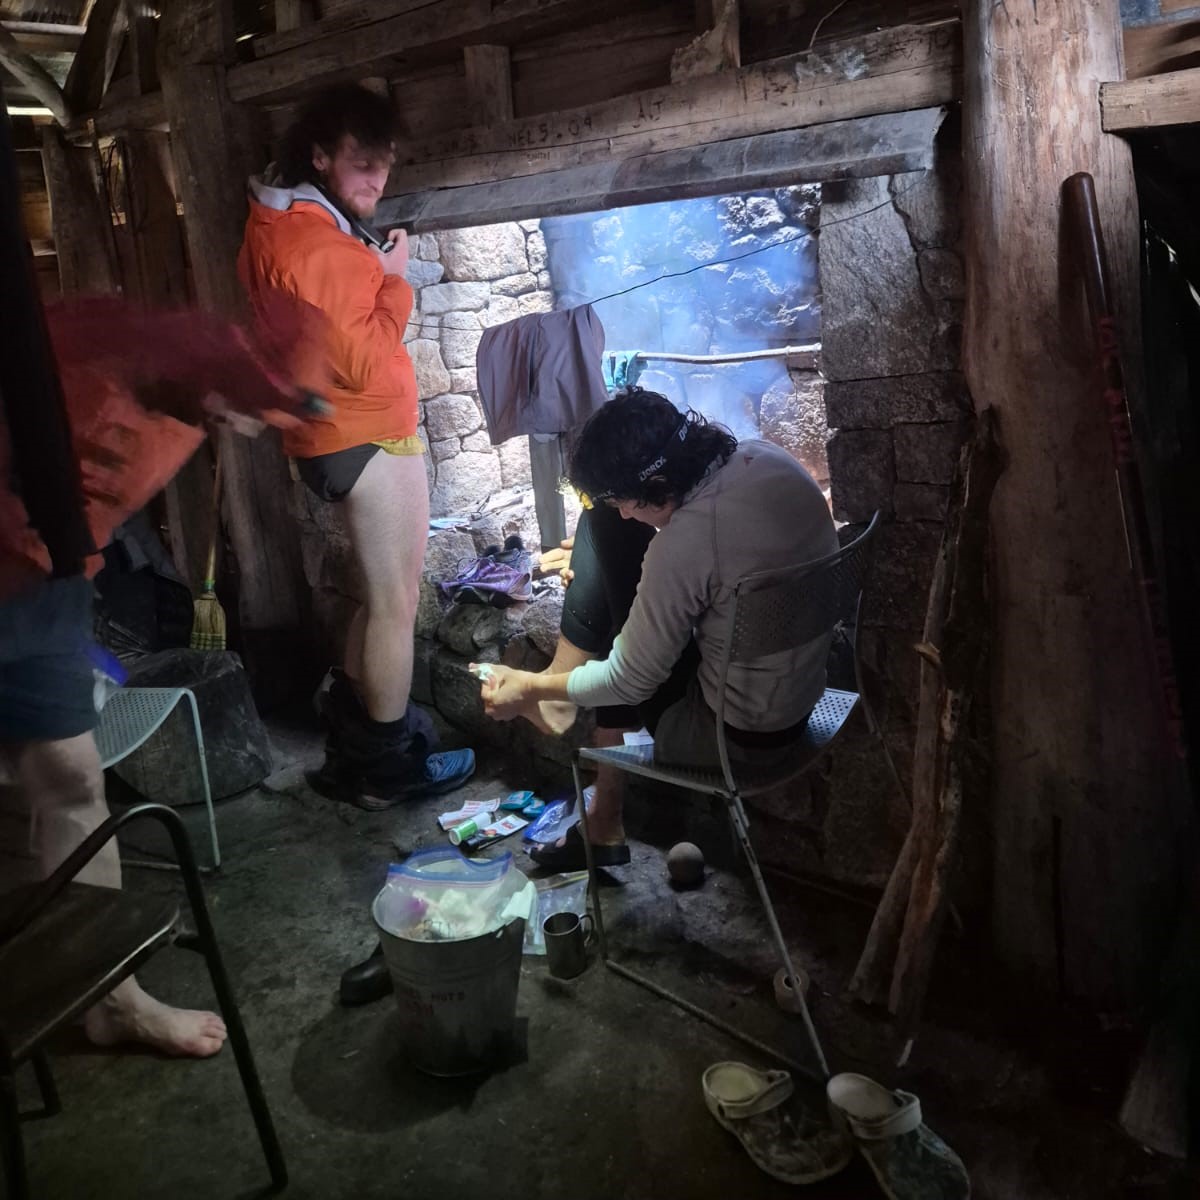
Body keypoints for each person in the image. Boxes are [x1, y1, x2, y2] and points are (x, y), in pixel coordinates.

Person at [0, 300, 312, 1057]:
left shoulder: (192, 391)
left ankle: (112, 1000)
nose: (251, 427)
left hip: (42, 588)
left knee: (72, 783)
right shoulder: (101, 346)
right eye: (250, 408)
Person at [239, 82, 474, 1006]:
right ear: (320, 156)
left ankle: (351, 747)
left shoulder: (296, 224)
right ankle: (385, 766)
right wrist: (396, 276)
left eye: (384, 158)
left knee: (368, 597)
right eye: (361, 159)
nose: (378, 175)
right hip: (365, 432)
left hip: (341, 435)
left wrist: (365, 258)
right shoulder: (313, 242)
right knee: (394, 602)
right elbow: (369, 354)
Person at [477, 387, 839, 872]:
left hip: (727, 741)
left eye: (626, 500)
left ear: (660, 484)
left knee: (605, 540)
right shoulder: (768, 458)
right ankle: (596, 799)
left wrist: (530, 684)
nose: (626, 511)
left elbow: (630, 681)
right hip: (802, 694)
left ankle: (557, 704)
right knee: (608, 546)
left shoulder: (686, 544)